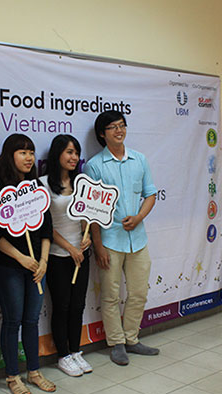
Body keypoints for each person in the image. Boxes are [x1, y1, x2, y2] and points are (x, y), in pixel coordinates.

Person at [83, 110, 159, 366]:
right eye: (113, 127)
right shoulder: (95, 165)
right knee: (110, 295)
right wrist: (98, 245)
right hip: (109, 241)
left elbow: (150, 194)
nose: (119, 130)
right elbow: (92, 212)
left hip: (138, 239)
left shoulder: (140, 159)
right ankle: (116, 343)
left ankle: (132, 339)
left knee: (139, 292)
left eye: (122, 125)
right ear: (102, 134)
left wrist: (139, 217)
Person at [0, 133, 56, 394]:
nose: (29, 158)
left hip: (37, 266)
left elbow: (47, 228)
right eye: (22, 152)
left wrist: (43, 261)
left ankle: (34, 371)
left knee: (31, 320)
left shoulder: (37, 187)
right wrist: (21, 258)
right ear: (10, 156)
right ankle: (12, 375)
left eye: (31, 152)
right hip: (9, 267)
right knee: (13, 320)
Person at [39, 135, 93, 377]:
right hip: (58, 255)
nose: (74, 157)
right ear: (57, 153)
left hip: (81, 254)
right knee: (61, 306)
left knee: (78, 305)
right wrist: (70, 248)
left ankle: (75, 350)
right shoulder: (42, 184)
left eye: (77, 153)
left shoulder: (81, 183)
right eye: (69, 152)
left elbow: (87, 215)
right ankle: (63, 355)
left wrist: (86, 236)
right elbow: (46, 226)